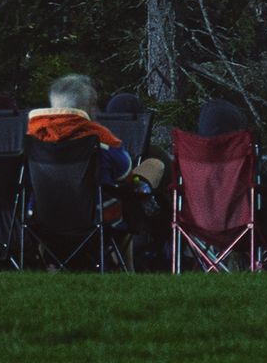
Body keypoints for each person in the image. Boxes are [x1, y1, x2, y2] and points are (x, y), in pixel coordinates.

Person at [27, 73, 168, 261]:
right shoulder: (100, 141)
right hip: (97, 222)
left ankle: (48, 264)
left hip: (43, 221)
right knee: (153, 165)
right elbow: (125, 175)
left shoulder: (34, 140)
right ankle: (127, 268)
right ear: (89, 106)